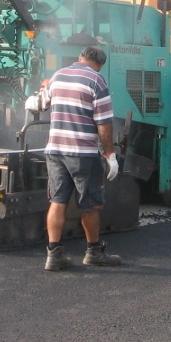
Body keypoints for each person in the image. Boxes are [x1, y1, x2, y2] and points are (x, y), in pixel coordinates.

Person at [43, 46, 121, 270]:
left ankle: (53, 255)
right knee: (91, 205)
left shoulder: (58, 76)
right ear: (100, 64)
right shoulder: (97, 81)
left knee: (57, 202)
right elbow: (104, 124)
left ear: (80, 58)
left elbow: (39, 104)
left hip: (55, 150)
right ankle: (94, 252)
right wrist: (110, 154)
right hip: (83, 154)